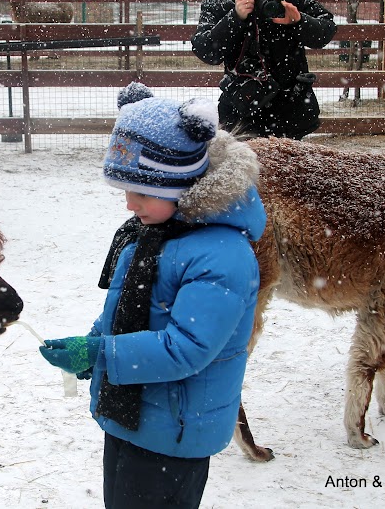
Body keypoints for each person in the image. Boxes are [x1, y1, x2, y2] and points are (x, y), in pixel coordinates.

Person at [39, 83, 266, 508]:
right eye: (125, 191)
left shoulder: (223, 257)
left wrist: (99, 353)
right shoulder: (155, 233)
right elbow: (126, 308)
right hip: (131, 414)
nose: (129, 204)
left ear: (178, 184)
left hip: (177, 432)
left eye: (140, 192)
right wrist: (88, 344)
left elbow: (187, 349)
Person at [192, 0, 336, 139]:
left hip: (291, 106)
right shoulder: (218, 1)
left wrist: (299, 21)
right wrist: (234, 18)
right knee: (243, 169)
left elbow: (326, 32)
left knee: (289, 170)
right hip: (242, 108)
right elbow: (206, 51)